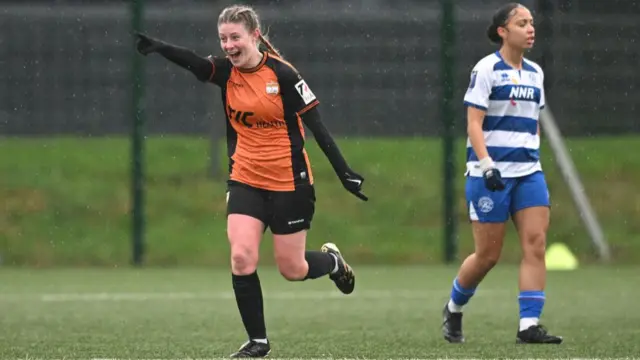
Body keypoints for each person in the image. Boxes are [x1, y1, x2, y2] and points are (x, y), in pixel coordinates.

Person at [135, 4, 368, 358]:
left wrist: (345, 172)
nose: (228, 45)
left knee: (293, 269)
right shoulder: (226, 72)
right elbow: (196, 63)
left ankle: (333, 262)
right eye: (223, 38)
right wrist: (160, 47)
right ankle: (258, 341)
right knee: (242, 257)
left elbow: (317, 127)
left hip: (290, 181)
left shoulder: (284, 75)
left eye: (235, 38)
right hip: (245, 179)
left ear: (254, 36)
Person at [441, 2, 563, 345]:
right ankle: (453, 307)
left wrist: (532, 153)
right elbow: (473, 125)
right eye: (522, 23)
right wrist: (487, 164)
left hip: (529, 174)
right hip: (489, 175)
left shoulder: (536, 73)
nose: (530, 28)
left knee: (536, 244)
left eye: (532, 22)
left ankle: (528, 325)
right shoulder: (486, 70)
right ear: (502, 31)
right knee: (488, 256)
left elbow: (532, 121)